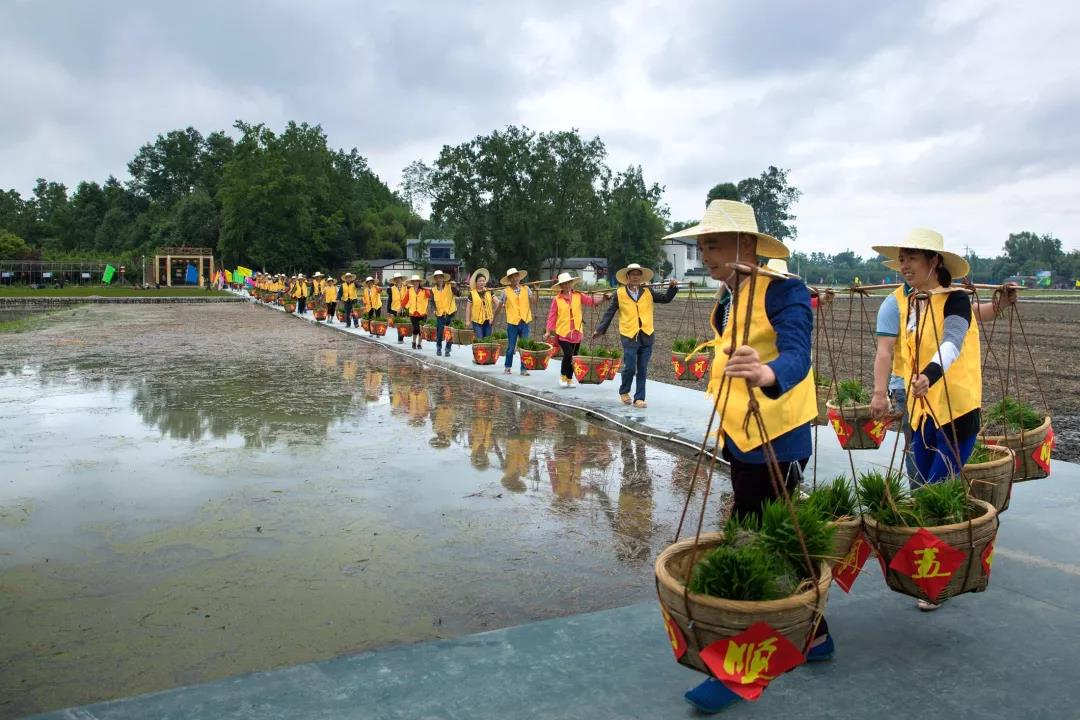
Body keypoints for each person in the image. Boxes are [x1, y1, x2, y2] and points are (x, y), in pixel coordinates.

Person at [664, 200, 829, 713]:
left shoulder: (786, 291)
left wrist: (769, 372)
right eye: (702, 243)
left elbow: (798, 350)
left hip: (777, 434)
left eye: (713, 243)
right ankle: (816, 635)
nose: (704, 252)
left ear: (748, 246)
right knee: (772, 535)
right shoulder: (727, 297)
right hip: (739, 431)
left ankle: (737, 671)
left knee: (752, 539)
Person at [871, 258, 1017, 481]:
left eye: (912, 258)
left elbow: (953, 339)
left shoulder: (956, 299)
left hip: (954, 409)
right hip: (920, 406)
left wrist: (1001, 304)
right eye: (902, 260)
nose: (904, 266)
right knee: (921, 485)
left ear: (933, 261)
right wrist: (880, 393)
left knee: (938, 486)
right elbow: (884, 351)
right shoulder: (908, 302)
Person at [593, 262, 678, 408]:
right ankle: (624, 391)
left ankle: (639, 398)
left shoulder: (647, 291)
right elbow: (610, 312)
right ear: (628, 277)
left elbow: (666, 299)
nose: (636, 277)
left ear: (641, 277)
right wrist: (600, 329)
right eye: (633, 275)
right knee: (630, 366)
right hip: (629, 334)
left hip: (647, 334)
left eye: (638, 275)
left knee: (643, 367)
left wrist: (672, 288)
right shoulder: (619, 293)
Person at [544, 272, 606, 388]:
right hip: (563, 332)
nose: (567, 285)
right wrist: (548, 331)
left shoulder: (578, 295)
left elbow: (590, 301)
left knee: (575, 357)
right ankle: (563, 376)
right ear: (561, 286)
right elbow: (552, 316)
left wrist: (603, 298)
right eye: (564, 284)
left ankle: (569, 378)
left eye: (568, 283)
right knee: (568, 355)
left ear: (571, 283)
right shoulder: (557, 299)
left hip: (577, 332)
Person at [501, 267, 533, 376]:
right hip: (513, 323)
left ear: (519, 277)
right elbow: (501, 304)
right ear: (509, 279)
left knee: (524, 347)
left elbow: (533, 301)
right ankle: (507, 367)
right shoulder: (505, 291)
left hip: (524, 322)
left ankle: (524, 369)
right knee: (511, 347)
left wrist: (536, 290)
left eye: (516, 276)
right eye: (512, 277)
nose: (515, 279)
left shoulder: (526, 289)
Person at [430, 270, 459, 357]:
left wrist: (455, 287)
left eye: (441, 277)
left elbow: (458, 294)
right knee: (439, 332)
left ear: (443, 278)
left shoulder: (450, 286)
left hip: (450, 312)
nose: (439, 279)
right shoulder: (433, 290)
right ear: (435, 279)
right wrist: (434, 309)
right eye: (437, 277)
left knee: (449, 332)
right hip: (440, 314)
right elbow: (432, 301)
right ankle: (439, 347)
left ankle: (447, 350)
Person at [466, 268, 500, 340]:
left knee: (487, 340)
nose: (482, 283)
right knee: (479, 339)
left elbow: (497, 302)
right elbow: (468, 308)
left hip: (488, 320)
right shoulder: (472, 293)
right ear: (476, 282)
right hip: (477, 321)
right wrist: (468, 320)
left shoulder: (489, 291)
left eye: (483, 281)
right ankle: (477, 351)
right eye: (480, 281)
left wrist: (502, 304)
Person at [403, 274, 430, 350]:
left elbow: (429, 296)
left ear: (419, 282)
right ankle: (414, 341)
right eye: (414, 281)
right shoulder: (410, 290)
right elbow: (405, 300)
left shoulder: (424, 290)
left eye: (417, 281)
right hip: (413, 313)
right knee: (416, 329)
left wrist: (427, 291)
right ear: (412, 282)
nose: (415, 282)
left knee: (421, 330)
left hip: (423, 313)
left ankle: (419, 344)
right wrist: (400, 308)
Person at [389, 273, 408, 340]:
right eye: (396, 279)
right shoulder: (391, 289)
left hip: (404, 307)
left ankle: (401, 336)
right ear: (394, 280)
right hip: (395, 308)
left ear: (401, 279)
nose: (398, 280)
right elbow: (390, 300)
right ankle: (400, 338)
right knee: (399, 323)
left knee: (403, 323)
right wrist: (389, 311)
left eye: (399, 278)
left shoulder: (406, 287)